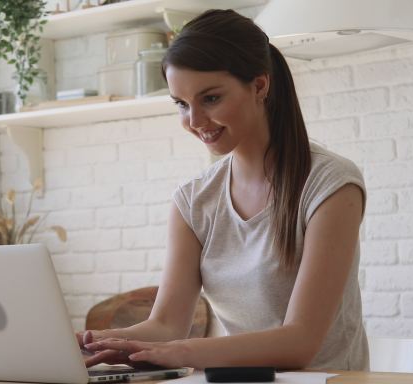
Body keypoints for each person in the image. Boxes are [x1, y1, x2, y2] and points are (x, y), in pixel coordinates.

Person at [78, 9, 368, 371]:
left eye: (210, 99)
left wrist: (183, 354)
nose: (195, 122)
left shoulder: (331, 185)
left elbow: (299, 342)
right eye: (182, 105)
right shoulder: (194, 201)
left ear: (259, 86)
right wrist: (94, 344)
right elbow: (167, 325)